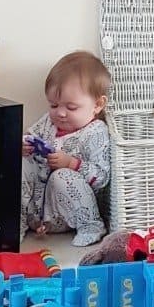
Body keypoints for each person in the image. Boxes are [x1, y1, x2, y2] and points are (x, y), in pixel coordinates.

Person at [20, 50, 111, 246]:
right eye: (53, 105)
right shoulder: (48, 123)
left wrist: (71, 163)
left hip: (67, 211)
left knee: (62, 176)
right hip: (37, 209)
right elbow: (31, 135)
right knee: (21, 164)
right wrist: (25, 146)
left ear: (97, 104)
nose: (60, 113)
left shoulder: (95, 131)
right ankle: (17, 222)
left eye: (71, 108)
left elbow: (102, 177)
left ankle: (91, 225)